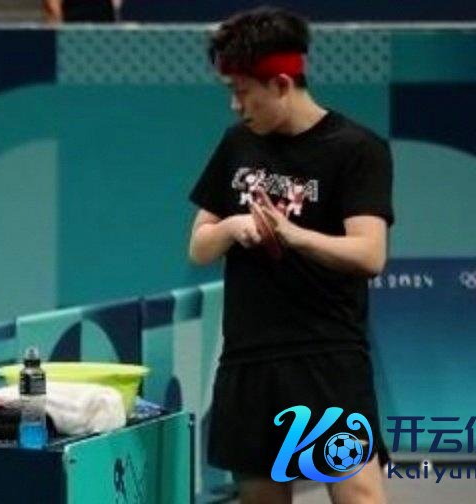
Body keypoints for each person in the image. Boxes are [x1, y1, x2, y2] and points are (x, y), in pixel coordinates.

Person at [187, 7, 393, 504]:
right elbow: (198, 247)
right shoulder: (237, 145)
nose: (236, 105)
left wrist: (293, 235)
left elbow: (370, 254)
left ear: (281, 85)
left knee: (359, 495)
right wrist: (233, 227)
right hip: (249, 358)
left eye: (243, 92)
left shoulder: (356, 149)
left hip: (326, 354)